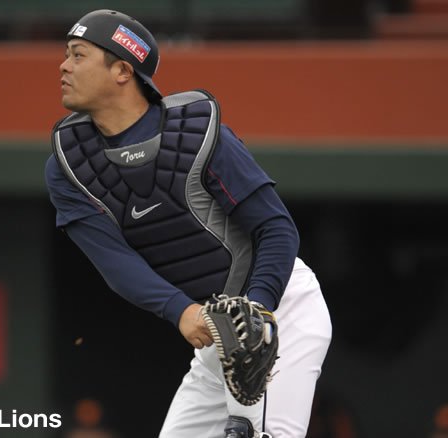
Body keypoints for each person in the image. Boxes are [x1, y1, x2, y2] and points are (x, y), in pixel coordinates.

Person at [45, 9, 332, 438]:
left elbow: (276, 228)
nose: (64, 66)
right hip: (217, 328)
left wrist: (258, 314)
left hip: (279, 309)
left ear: (122, 70)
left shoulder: (196, 133)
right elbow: (116, 263)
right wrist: (182, 310)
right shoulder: (67, 165)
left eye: (78, 54)